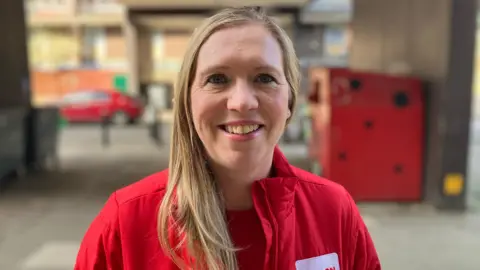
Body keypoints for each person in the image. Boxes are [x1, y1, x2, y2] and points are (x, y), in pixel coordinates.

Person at [74, 6, 381, 270]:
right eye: (217, 79)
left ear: (289, 102)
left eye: (265, 78)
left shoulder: (334, 210)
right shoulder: (126, 221)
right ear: (187, 101)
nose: (242, 102)